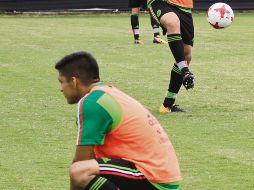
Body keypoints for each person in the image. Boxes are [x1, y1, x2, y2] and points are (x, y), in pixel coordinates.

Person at [55, 51, 182, 190]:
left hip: (154, 178)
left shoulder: (92, 102)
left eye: (61, 82)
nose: (61, 89)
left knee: (79, 171)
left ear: (74, 81)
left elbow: (80, 164)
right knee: (87, 169)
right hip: (160, 176)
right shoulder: (106, 93)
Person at [147, 0, 195, 113]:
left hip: (185, 7)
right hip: (161, 2)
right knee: (172, 22)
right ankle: (185, 71)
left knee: (186, 55)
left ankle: (167, 105)